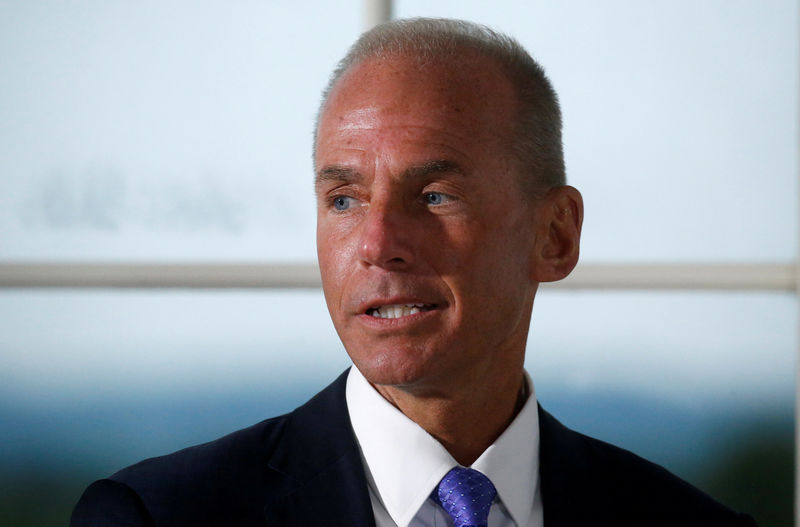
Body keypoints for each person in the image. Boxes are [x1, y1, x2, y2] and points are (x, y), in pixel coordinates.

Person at [71, 18, 757, 527]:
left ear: (555, 235)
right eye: (343, 199)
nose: (376, 243)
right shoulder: (156, 517)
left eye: (434, 196)